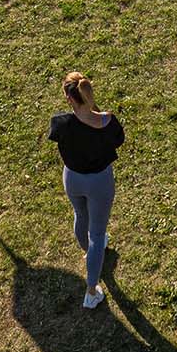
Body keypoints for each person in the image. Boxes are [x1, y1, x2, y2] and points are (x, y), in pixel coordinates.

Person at [50, 72, 125, 309]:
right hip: (99, 182)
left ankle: (88, 253)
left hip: (72, 179)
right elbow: (118, 140)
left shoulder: (59, 122)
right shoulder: (108, 122)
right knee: (97, 234)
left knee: (80, 216)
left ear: (69, 99)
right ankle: (91, 291)